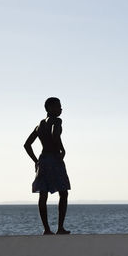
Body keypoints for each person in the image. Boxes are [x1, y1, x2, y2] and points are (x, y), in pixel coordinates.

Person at [24, 97, 71, 235]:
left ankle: (46, 229)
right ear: (49, 108)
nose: (61, 109)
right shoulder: (57, 121)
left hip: (43, 160)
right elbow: (55, 134)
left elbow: (27, 145)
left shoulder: (39, 125)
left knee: (43, 194)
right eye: (58, 106)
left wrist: (35, 161)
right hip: (54, 159)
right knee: (63, 193)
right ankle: (60, 228)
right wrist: (62, 149)